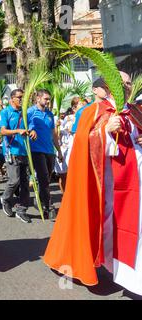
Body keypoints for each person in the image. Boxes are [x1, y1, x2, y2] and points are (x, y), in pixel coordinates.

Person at [44, 71, 142, 296]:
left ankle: (126, 271)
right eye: (122, 83)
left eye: (128, 83)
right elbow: (81, 145)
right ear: (108, 86)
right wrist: (104, 132)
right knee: (109, 225)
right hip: (107, 185)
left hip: (136, 181)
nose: (127, 87)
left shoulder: (134, 111)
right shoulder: (92, 111)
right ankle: (111, 266)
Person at [0, 89, 37, 224]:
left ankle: (21, 210)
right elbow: (2, 131)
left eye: (23, 97)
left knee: (25, 183)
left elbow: (31, 127)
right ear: (12, 99)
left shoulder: (25, 113)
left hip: (25, 151)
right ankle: (5, 198)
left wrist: (32, 132)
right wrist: (17, 131)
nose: (22, 100)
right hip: (11, 151)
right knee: (14, 180)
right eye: (19, 97)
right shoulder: (5, 112)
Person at [27, 89, 63, 220]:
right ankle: (48, 205)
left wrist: (59, 150)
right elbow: (24, 126)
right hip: (36, 150)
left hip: (50, 151)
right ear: (38, 98)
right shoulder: (30, 112)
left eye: (49, 99)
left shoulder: (49, 114)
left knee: (46, 180)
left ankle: (40, 201)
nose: (48, 101)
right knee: (43, 178)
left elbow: (53, 133)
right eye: (46, 99)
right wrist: (30, 130)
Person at [54, 98, 78, 193]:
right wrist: (57, 126)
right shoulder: (68, 119)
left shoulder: (86, 118)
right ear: (74, 108)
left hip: (77, 150)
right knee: (64, 175)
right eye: (81, 104)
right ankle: (65, 197)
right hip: (65, 150)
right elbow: (57, 136)